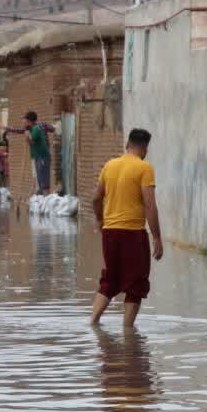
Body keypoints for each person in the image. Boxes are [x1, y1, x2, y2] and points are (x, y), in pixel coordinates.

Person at [90, 129, 163, 330]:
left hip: (110, 231)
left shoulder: (109, 165)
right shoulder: (144, 168)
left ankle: (92, 323)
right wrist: (157, 237)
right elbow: (150, 204)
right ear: (145, 148)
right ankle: (128, 332)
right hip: (132, 232)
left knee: (110, 279)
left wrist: (100, 219)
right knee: (136, 282)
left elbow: (96, 198)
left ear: (127, 145)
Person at [8, 111, 52, 195]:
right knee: (39, 179)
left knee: (43, 180)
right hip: (37, 157)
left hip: (42, 157)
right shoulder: (31, 129)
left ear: (29, 121)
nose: (23, 122)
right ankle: (40, 198)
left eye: (24, 120)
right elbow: (27, 138)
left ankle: (45, 199)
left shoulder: (36, 128)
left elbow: (33, 141)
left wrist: (28, 135)